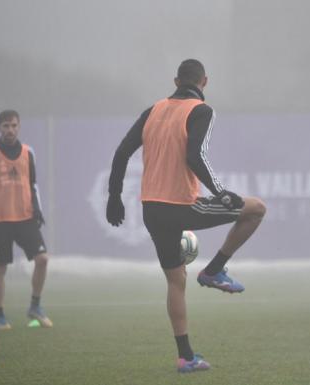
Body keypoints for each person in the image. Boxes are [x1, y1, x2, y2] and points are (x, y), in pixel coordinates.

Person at [106, 59, 266, 372]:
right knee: (256, 208)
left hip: (151, 209)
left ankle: (185, 356)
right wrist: (220, 191)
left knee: (176, 281)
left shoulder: (153, 109)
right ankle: (214, 270)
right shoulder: (202, 110)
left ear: (175, 80)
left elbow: (122, 151)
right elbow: (195, 155)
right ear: (204, 81)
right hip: (182, 205)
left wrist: (114, 196)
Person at [0, 110, 52, 330]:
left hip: (26, 218)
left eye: (14, 125)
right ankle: (0, 315)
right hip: (0, 221)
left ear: (19, 127)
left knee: (43, 259)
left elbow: (33, 183)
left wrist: (37, 208)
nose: (10, 130)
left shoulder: (29, 153)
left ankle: (35, 306)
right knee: (0, 269)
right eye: (6, 126)